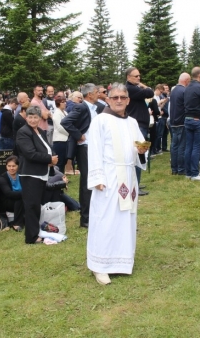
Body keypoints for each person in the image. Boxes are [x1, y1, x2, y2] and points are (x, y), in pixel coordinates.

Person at [86, 83, 147, 285]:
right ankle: (100, 265)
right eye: (115, 97)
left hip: (128, 178)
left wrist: (141, 151)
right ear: (109, 100)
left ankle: (121, 262)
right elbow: (93, 150)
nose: (119, 100)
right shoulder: (100, 121)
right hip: (109, 177)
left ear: (128, 100)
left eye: (123, 97)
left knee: (125, 220)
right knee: (105, 219)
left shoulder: (132, 122)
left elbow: (140, 146)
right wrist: (97, 178)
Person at [16, 106, 58, 244]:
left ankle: (35, 231)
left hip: (40, 173)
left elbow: (46, 148)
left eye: (35, 117)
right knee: (31, 206)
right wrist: (48, 159)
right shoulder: (23, 132)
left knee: (36, 205)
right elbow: (30, 153)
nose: (33, 120)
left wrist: (51, 159)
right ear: (26, 118)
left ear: (40, 118)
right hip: (30, 174)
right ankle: (31, 237)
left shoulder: (40, 130)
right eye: (30, 117)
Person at [60, 83, 98, 228]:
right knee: (87, 182)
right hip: (84, 148)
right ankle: (85, 218)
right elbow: (65, 121)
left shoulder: (96, 108)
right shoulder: (81, 107)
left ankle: (93, 214)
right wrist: (78, 135)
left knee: (94, 180)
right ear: (89, 94)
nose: (98, 94)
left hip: (94, 147)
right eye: (96, 92)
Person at [125, 67, 154, 194]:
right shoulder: (131, 89)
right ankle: (134, 185)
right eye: (135, 76)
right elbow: (150, 92)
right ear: (128, 77)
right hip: (137, 125)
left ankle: (136, 182)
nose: (138, 78)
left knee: (140, 154)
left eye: (139, 76)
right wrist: (142, 85)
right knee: (138, 153)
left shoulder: (134, 88)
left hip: (140, 124)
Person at [168, 73, 190, 175]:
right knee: (182, 146)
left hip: (173, 121)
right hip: (181, 121)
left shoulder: (173, 91)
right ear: (186, 81)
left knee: (174, 146)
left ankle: (174, 169)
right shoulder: (184, 91)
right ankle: (181, 169)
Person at [0, 155, 25, 232]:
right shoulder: (2, 178)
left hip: (21, 199)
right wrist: (25, 194)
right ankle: (17, 223)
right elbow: (8, 193)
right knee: (19, 200)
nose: (11, 168)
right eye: (9, 166)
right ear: (6, 167)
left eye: (14, 166)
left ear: (18, 166)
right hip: (7, 201)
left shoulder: (21, 175)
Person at [52, 95, 69, 173]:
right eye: (62, 102)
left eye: (65, 101)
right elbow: (60, 127)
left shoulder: (65, 112)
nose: (65, 103)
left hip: (66, 140)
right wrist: (70, 133)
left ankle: (62, 177)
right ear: (58, 103)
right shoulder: (56, 113)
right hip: (59, 140)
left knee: (64, 161)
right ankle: (59, 177)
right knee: (60, 162)